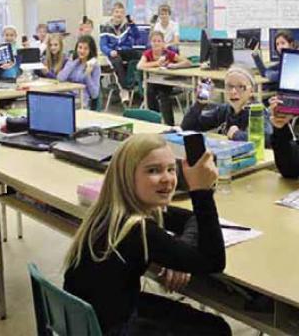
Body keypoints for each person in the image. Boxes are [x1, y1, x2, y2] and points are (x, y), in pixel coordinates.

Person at [63, 134, 230, 336]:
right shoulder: (137, 229)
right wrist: (202, 191)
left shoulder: (111, 209)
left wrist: (179, 249)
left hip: (85, 320)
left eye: (171, 169)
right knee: (217, 329)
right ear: (127, 176)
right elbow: (213, 261)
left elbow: (191, 219)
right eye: (153, 171)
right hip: (111, 328)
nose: (167, 178)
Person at [181, 66, 272, 147]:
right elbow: (187, 127)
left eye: (241, 87)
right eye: (229, 86)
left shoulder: (257, 111)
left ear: (251, 91)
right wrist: (199, 104)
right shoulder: (225, 109)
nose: (233, 92)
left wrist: (237, 135)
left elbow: (268, 139)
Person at [137, 31, 191, 125]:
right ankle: (155, 120)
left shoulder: (168, 53)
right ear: (150, 42)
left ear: (163, 43)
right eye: (154, 41)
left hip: (166, 82)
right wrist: (156, 63)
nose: (156, 43)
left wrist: (175, 65)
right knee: (150, 92)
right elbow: (139, 66)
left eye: (159, 41)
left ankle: (169, 124)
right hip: (153, 82)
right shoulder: (148, 53)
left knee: (164, 95)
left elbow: (187, 62)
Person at [100, 3, 141, 103]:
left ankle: (141, 84)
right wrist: (110, 52)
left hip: (125, 50)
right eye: (117, 12)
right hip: (114, 52)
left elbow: (137, 36)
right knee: (117, 62)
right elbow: (103, 45)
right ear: (112, 13)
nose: (119, 14)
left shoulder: (127, 26)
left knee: (140, 55)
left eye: (122, 12)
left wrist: (133, 25)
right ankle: (124, 88)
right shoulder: (105, 27)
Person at [57, 35, 100, 110]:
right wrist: (75, 62)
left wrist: (87, 75)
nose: (82, 51)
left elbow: (95, 94)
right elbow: (60, 78)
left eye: (86, 49)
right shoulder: (72, 61)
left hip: (81, 101)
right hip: (67, 97)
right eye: (80, 47)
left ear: (90, 50)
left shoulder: (95, 66)